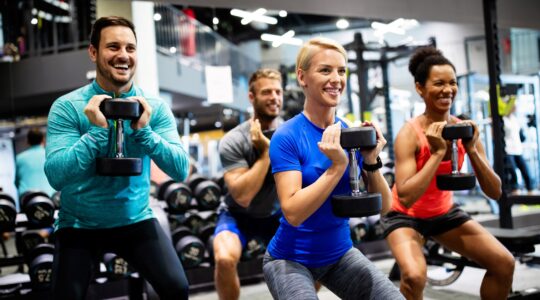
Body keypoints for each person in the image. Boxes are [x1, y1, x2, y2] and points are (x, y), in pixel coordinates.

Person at [45, 16, 190, 300]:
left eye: (130, 48)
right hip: (79, 224)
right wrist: (97, 132)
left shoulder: (154, 108)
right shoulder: (67, 107)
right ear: (93, 52)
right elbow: (56, 175)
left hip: (134, 219)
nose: (123, 55)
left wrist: (145, 133)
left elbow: (180, 169)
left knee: (177, 288)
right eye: (113, 47)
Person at [263, 37, 403, 300]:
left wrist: (371, 160)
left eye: (341, 70)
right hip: (290, 258)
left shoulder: (351, 134)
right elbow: (293, 213)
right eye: (325, 70)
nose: (336, 78)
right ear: (302, 77)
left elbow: (385, 207)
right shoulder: (288, 136)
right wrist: (336, 166)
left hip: (339, 253)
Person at [381, 47, 514, 300]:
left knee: (503, 263)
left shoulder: (464, 129)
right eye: (439, 83)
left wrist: (472, 149)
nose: (447, 89)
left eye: (452, 83)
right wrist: (436, 154)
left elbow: (495, 191)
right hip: (403, 216)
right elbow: (406, 196)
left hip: (443, 214)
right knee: (413, 277)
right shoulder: (409, 134)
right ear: (420, 88)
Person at [213, 68, 284, 300]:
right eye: (266, 92)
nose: (274, 97)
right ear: (252, 97)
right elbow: (243, 196)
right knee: (224, 258)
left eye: (278, 91)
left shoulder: (291, 133)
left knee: (318, 251)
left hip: (277, 214)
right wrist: (265, 154)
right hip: (238, 214)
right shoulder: (233, 140)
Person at [15, 127, 55, 201]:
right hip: (50, 199)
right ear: (43, 140)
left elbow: (16, 183)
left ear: (28, 141)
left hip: (27, 201)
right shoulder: (51, 156)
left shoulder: (19, 158)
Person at [503, 105, 534, 193]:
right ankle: (515, 191)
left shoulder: (514, 119)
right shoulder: (503, 119)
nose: (514, 108)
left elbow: (520, 134)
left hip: (518, 149)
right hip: (508, 150)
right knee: (513, 172)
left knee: (525, 170)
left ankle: (530, 190)